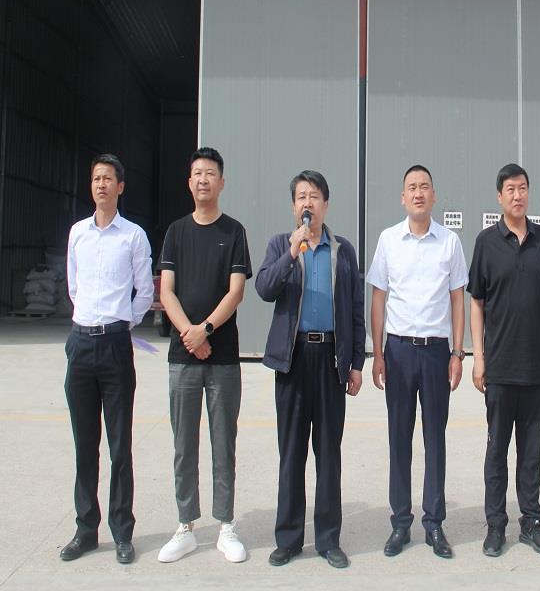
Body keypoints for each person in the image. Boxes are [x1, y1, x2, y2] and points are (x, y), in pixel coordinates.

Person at [256, 170, 365, 569]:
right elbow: (264, 288)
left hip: (332, 359)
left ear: (326, 204)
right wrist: (291, 253)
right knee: (291, 452)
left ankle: (328, 539)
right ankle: (288, 539)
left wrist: (356, 363)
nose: (308, 202)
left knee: (329, 454)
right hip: (293, 359)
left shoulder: (343, 250)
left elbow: (355, 309)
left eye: (314, 196)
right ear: (294, 206)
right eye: (301, 196)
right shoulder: (279, 245)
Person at [367, 164, 468, 559]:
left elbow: (458, 299)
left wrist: (458, 352)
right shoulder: (389, 240)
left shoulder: (450, 242)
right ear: (403, 197)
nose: (419, 193)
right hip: (398, 351)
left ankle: (434, 524)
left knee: (434, 439)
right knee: (399, 438)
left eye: (425, 186)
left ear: (434, 195)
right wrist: (378, 353)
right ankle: (400, 523)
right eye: (412, 187)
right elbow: (379, 298)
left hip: (437, 352)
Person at [156, 147, 252, 564]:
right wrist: (190, 335)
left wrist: (206, 330)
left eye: (210, 173)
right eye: (197, 173)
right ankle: (186, 525)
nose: (203, 180)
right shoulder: (176, 232)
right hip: (183, 358)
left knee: (223, 442)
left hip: (223, 357)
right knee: (184, 444)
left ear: (222, 182)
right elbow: (166, 291)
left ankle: (226, 525)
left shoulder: (234, 231)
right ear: (189, 181)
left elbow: (236, 291)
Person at [60, 154, 154, 564]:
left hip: (115, 346)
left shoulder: (133, 236)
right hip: (80, 344)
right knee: (85, 445)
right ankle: (85, 530)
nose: (101, 184)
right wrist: (90, 322)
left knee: (120, 447)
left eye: (108, 178)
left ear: (120, 187)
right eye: (96, 178)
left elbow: (145, 291)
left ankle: (121, 532)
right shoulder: (77, 234)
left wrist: (120, 324)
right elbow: (74, 287)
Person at [468, 163, 540, 558]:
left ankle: (531, 522)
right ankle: (496, 525)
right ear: (499, 196)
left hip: (535, 367)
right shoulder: (486, 242)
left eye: (522, 188)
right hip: (500, 368)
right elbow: (476, 303)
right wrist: (478, 357)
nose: (517, 195)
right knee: (497, 451)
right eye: (510, 189)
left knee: (531, 452)